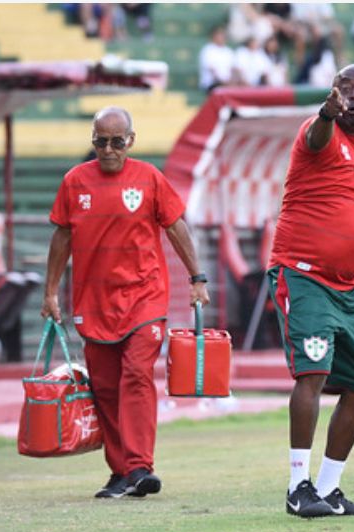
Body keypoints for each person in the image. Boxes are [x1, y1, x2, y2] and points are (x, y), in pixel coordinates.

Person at [41, 107, 211, 498]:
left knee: (136, 373)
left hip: (143, 298)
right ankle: (121, 472)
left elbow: (175, 225)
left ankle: (139, 466)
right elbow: (62, 238)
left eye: (117, 142)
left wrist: (197, 277)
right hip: (94, 302)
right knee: (104, 387)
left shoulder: (150, 178)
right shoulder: (74, 182)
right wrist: (50, 292)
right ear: (93, 140)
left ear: (131, 141)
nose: (108, 149)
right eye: (100, 141)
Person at [267, 64, 354, 517]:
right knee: (313, 373)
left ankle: (328, 488)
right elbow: (317, 136)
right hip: (303, 274)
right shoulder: (318, 130)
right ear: (334, 95)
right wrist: (327, 113)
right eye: (346, 88)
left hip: (349, 286)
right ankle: (297, 486)